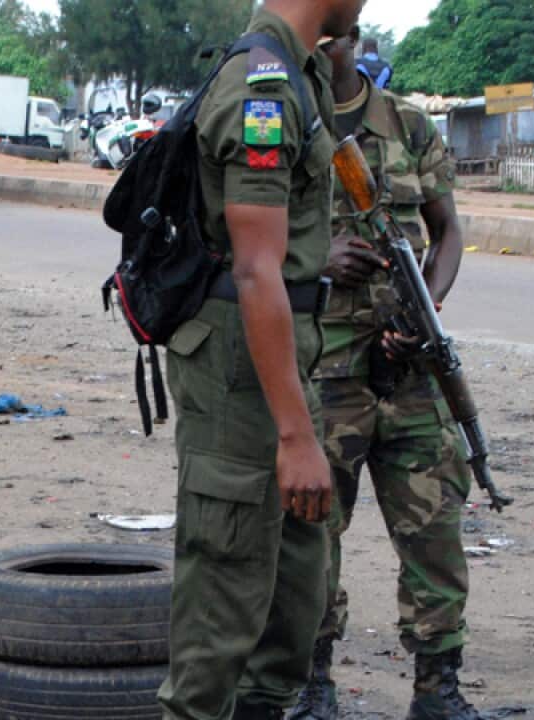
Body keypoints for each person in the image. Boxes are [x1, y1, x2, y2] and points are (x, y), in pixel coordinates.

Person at [156, 1, 366, 718]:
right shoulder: (262, 88)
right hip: (242, 370)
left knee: (291, 605)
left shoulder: (303, 74)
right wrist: (296, 434)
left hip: (277, 365)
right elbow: (255, 269)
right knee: (222, 617)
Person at [289, 26, 484, 720]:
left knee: (435, 531)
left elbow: (449, 229)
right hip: (324, 370)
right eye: (312, 38)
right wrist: (317, 255)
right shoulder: (287, 122)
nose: (322, 49)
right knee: (313, 535)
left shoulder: (408, 124)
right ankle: (313, 686)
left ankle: (439, 690)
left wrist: (426, 304)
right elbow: (242, 237)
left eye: (333, 38)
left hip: (406, 366)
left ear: (357, 39)